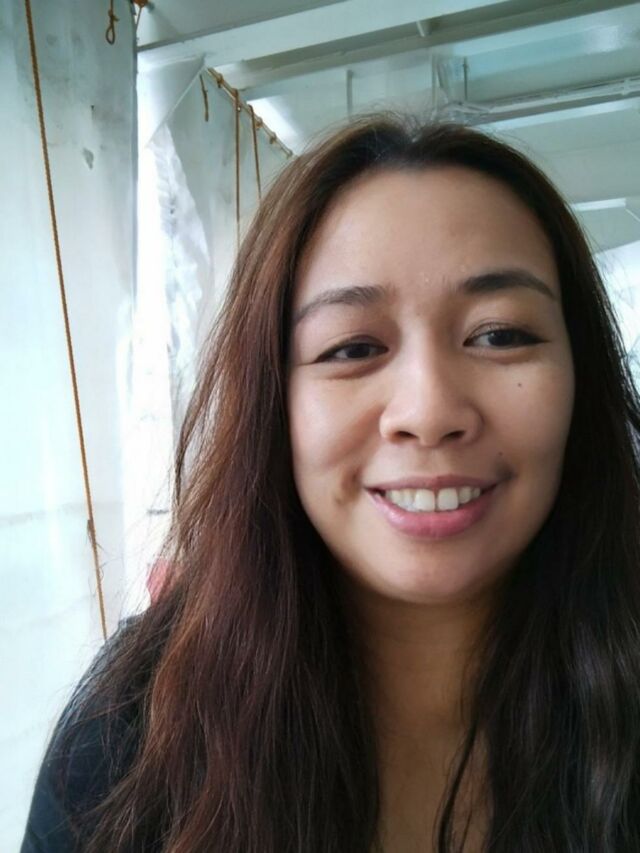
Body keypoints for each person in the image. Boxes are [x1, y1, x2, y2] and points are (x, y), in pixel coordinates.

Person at [21, 114, 640, 853]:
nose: (428, 412)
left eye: (500, 334)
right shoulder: (131, 730)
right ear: (273, 402)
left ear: (582, 375)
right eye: (352, 347)